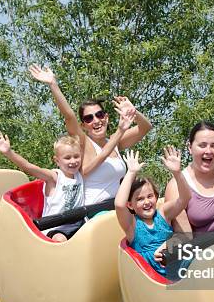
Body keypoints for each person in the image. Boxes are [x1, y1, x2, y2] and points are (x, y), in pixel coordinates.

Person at [0, 104, 135, 241]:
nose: (72, 161)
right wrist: (9, 153)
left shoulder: (80, 175)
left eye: (76, 157)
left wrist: (121, 128)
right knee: (61, 239)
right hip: (54, 226)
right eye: (67, 158)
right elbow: (29, 167)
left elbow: (103, 154)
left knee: (97, 231)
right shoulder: (54, 177)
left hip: (77, 222)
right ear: (57, 161)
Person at [29, 64, 153, 204]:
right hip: (95, 211)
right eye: (89, 118)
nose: (96, 121)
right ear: (83, 125)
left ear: (106, 117)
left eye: (99, 115)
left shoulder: (114, 141)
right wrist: (53, 84)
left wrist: (133, 112)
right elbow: (69, 115)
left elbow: (145, 127)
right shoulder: (83, 142)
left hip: (118, 207)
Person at [115, 148, 191, 276]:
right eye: (139, 199)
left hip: (179, 270)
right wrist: (131, 172)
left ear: (156, 197)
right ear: (130, 205)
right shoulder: (132, 225)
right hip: (153, 279)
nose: (146, 202)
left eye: (150, 196)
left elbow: (185, 198)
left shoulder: (163, 214)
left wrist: (177, 173)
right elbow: (119, 204)